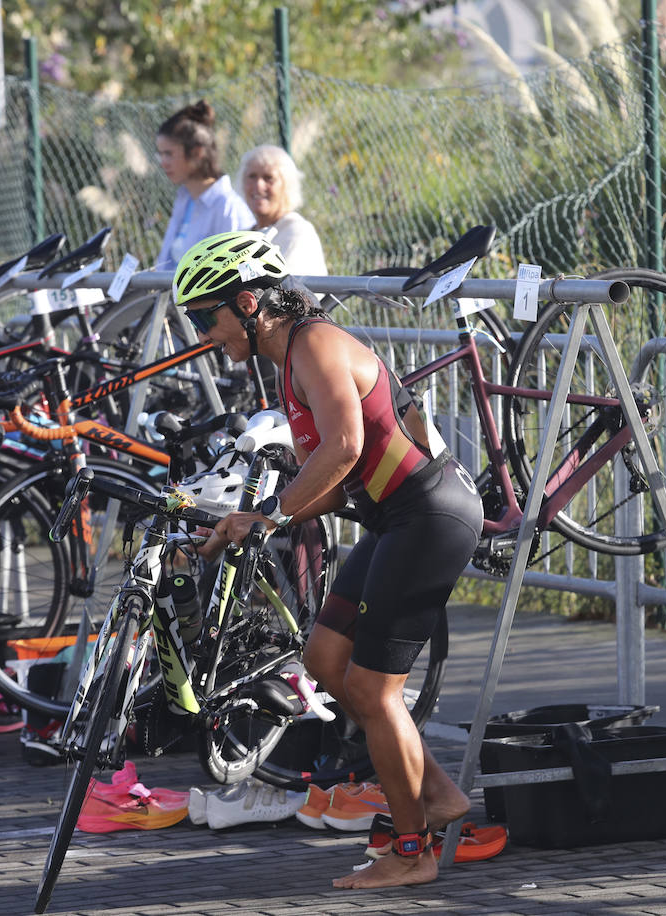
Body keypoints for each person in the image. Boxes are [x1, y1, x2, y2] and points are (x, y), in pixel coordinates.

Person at [176, 232, 483, 889]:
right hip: (394, 518)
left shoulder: (313, 344)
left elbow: (342, 447)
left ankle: (412, 850)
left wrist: (275, 514)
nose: (204, 335)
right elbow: (340, 485)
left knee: (374, 690)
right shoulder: (290, 359)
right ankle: (435, 791)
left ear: (250, 302)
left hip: (429, 513)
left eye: (207, 317)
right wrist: (252, 520)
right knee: (323, 660)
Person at [154, 101, 252, 271]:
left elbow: (236, 271)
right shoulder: (184, 199)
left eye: (169, 154)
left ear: (197, 152)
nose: (163, 163)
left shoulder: (227, 207)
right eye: (160, 154)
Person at [237, 144, 328, 277]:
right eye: (252, 176)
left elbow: (277, 286)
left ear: (287, 185)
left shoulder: (298, 232)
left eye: (269, 178)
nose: (258, 185)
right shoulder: (246, 235)